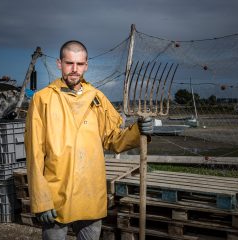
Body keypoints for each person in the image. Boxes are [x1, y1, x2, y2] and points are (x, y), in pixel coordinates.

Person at [24, 40, 153, 240]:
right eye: (69, 63)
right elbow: (34, 155)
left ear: (86, 65)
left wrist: (138, 131)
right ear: (59, 64)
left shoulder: (97, 98)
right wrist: (41, 200)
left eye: (79, 64)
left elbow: (114, 140)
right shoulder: (43, 99)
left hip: (90, 193)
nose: (74, 70)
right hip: (56, 194)